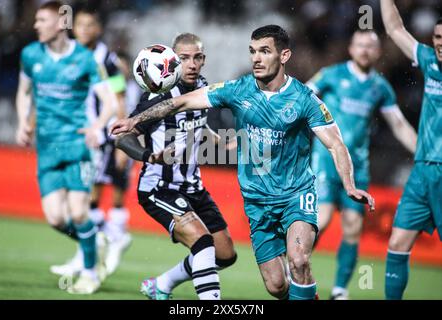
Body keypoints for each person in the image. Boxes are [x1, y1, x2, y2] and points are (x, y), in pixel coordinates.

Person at [111, 25, 375, 300]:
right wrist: (135, 121)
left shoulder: (303, 98)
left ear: (284, 56)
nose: (256, 58)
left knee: (293, 260)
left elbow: (335, 143)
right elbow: (179, 106)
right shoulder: (235, 90)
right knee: (276, 286)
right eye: (252, 52)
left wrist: (350, 184)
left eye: (264, 51)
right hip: (249, 199)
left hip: (295, 193)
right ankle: (164, 284)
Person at [114, 33, 237, 300]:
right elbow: (123, 138)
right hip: (160, 187)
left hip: (193, 186)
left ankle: (161, 285)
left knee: (225, 255)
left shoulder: (202, 87)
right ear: (172, 61)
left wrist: (223, 143)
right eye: (184, 58)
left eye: (197, 57)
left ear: (204, 59)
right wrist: (149, 156)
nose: (192, 64)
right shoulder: (159, 95)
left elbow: (196, 126)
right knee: (203, 244)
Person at [306, 29, 417, 300]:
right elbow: (302, 95)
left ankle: (339, 290)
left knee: (353, 227)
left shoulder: (380, 87)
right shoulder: (331, 74)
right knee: (322, 218)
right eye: (360, 45)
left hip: (358, 166)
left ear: (377, 52)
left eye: (370, 46)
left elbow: (399, 125)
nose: (365, 50)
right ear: (351, 48)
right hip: (325, 159)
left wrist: (425, 154)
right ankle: (296, 268)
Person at [15, 1, 117, 294]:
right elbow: (23, 92)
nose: (36, 26)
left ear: (60, 23)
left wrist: (97, 126)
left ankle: (90, 273)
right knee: (56, 219)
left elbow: (109, 101)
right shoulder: (30, 54)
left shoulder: (85, 59)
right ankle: (93, 241)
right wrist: (23, 121)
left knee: (80, 213)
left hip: (78, 147)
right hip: (47, 149)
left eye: (42, 20)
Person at [49, 6, 132, 279]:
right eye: (80, 25)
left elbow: (119, 96)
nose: (84, 30)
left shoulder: (107, 60)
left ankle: (95, 250)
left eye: (90, 25)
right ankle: (105, 241)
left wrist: (123, 136)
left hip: (105, 136)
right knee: (83, 199)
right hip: (84, 137)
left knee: (87, 199)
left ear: (98, 29)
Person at [380, 0, 442, 300]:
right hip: (421, 171)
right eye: (438, 38)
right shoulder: (429, 60)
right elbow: (394, 29)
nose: (440, 44)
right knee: (397, 243)